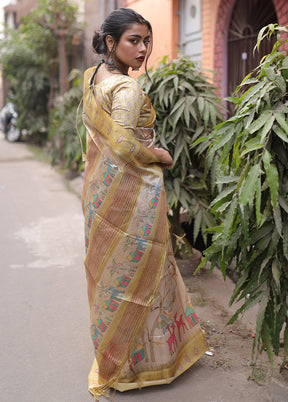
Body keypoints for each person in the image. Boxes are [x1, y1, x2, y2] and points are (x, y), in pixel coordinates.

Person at [81, 8, 208, 401]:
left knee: (113, 277)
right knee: (142, 274)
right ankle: (139, 366)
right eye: (133, 40)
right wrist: (162, 157)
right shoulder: (126, 89)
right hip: (133, 197)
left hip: (101, 195)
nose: (142, 48)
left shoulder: (92, 79)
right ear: (110, 43)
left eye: (146, 40)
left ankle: (118, 358)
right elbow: (122, 144)